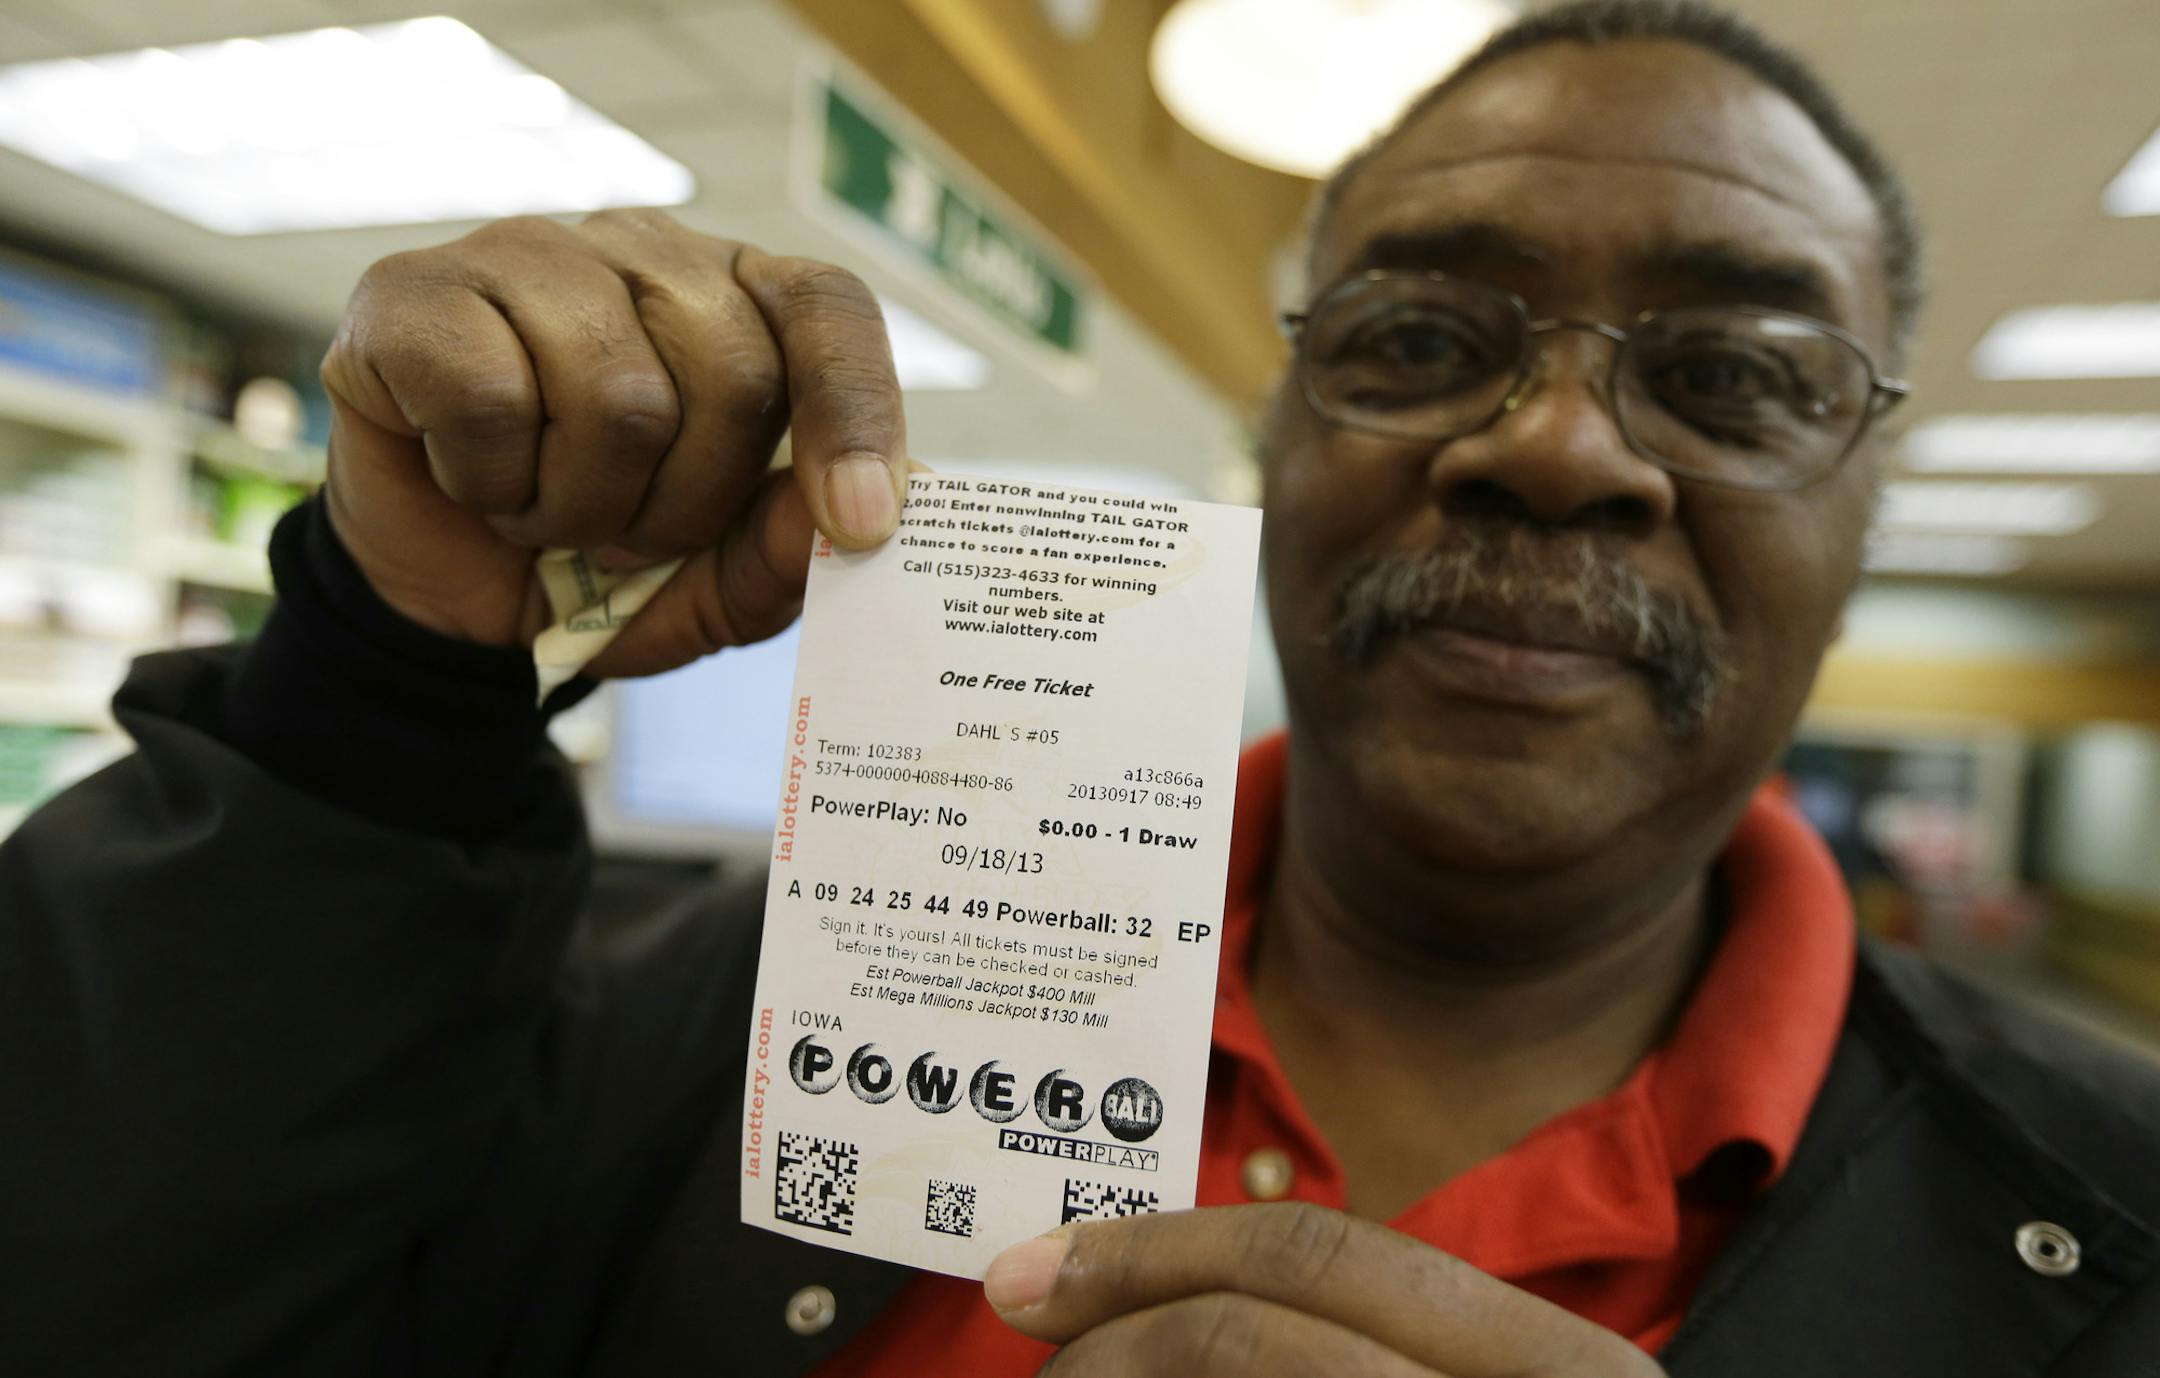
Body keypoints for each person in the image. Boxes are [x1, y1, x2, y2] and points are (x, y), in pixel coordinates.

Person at [5, 1, 2158, 1374]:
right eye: (1418, 337)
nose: (1561, 446)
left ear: (1868, 492)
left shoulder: (2111, 1222)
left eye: (1737, 377)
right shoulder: (737, 1012)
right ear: (1279, 441)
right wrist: (378, 697)